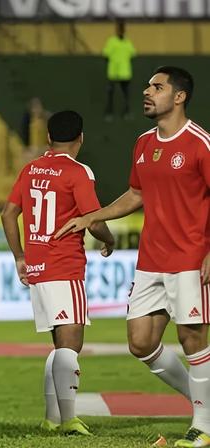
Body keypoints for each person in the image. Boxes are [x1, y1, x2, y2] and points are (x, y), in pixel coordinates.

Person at [56, 66, 210, 447]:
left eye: (157, 87)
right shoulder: (143, 143)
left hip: (191, 256)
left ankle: (204, 425)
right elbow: (136, 194)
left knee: (191, 336)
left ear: (179, 97)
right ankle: (204, 404)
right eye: (147, 86)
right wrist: (92, 216)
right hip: (151, 259)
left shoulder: (200, 143)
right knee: (141, 343)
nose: (147, 92)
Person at [1, 110, 115, 436]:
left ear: (48, 138)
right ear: (81, 138)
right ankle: (69, 419)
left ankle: (52, 417)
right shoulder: (79, 172)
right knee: (70, 348)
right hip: (64, 266)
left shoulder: (31, 168)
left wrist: (19, 257)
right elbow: (93, 218)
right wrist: (109, 240)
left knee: (59, 347)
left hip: (37, 268)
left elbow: (8, 214)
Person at [103, 21, 135, 120]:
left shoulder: (127, 42)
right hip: (114, 72)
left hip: (124, 73)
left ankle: (126, 112)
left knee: (125, 95)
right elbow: (106, 53)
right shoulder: (112, 41)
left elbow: (132, 53)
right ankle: (109, 113)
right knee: (111, 95)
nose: (121, 31)